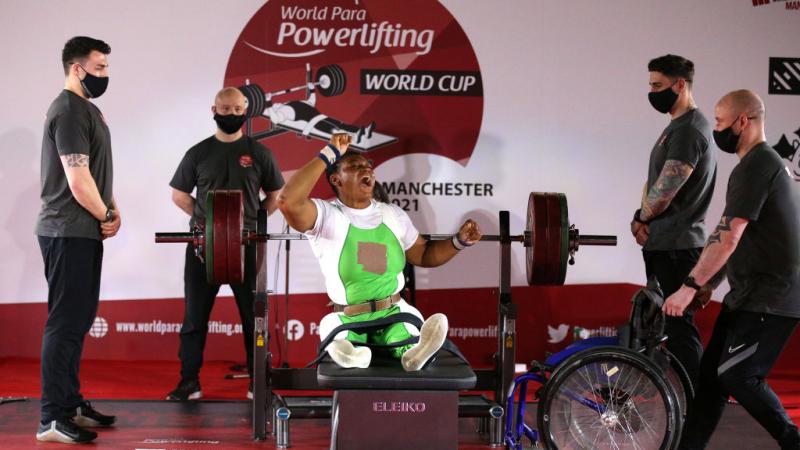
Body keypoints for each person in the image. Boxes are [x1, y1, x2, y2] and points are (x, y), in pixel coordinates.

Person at [663, 90, 800, 449]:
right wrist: (714, 282)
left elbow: (728, 235)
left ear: (743, 121)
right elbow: (746, 236)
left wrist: (691, 286)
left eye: (721, 123)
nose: (716, 130)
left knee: (739, 375)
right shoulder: (762, 164)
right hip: (750, 292)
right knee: (711, 382)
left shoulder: (758, 165)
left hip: (772, 296)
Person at [277, 134, 480, 370]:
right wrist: (329, 153)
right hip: (348, 317)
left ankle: (415, 353)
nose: (366, 169)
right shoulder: (326, 215)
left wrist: (459, 241)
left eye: (367, 166)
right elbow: (287, 201)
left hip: (393, 312)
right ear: (336, 180)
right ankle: (352, 354)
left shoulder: (393, 214)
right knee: (337, 335)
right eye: (354, 166)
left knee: (407, 337)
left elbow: (423, 254)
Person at [167, 87, 284, 400]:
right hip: (203, 248)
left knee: (253, 319)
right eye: (225, 109)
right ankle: (188, 383)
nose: (230, 114)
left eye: (236, 110)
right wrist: (209, 221)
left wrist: (256, 220)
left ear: (245, 112)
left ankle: (257, 383)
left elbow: (275, 194)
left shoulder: (260, 153)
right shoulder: (198, 152)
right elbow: (179, 195)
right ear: (213, 110)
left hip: (246, 247)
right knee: (194, 319)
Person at [34, 36, 120, 444]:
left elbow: (97, 170)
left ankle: (69, 404)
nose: (105, 74)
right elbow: (77, 176)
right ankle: (52, 417)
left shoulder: (87, 109)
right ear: (77, 68)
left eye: (106, 67)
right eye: (99, 68)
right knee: (65, 323)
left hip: (82, 229)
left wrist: (110, 208)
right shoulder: (68, 110)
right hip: (66, 229)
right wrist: (104, 213)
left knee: (78, 321)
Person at [630, 54, 717, 387]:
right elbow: (654, 184)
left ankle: (695, 406)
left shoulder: (690, 129)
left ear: (680, 85)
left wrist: (641, 217)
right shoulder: (676, 127)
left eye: (658, 85)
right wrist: (639, 219)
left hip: (678, 247)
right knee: (666, 328)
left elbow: (667, 186)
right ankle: (677, 401)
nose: (652, 92)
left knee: (679, 329)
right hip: (664, 242)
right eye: (650, 84)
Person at [266, 91, 375, 143]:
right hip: (313, 123)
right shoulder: (284, 110)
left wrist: (312, 90)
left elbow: (311, 101)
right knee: (334, 130)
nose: (277, 103)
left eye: (276, 103)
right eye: (274, 105)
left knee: (340, 124)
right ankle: (354, 138)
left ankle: (363, 131)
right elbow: (275, 119)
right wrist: (268, 102)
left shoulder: (292, 103)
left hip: (321, 116)